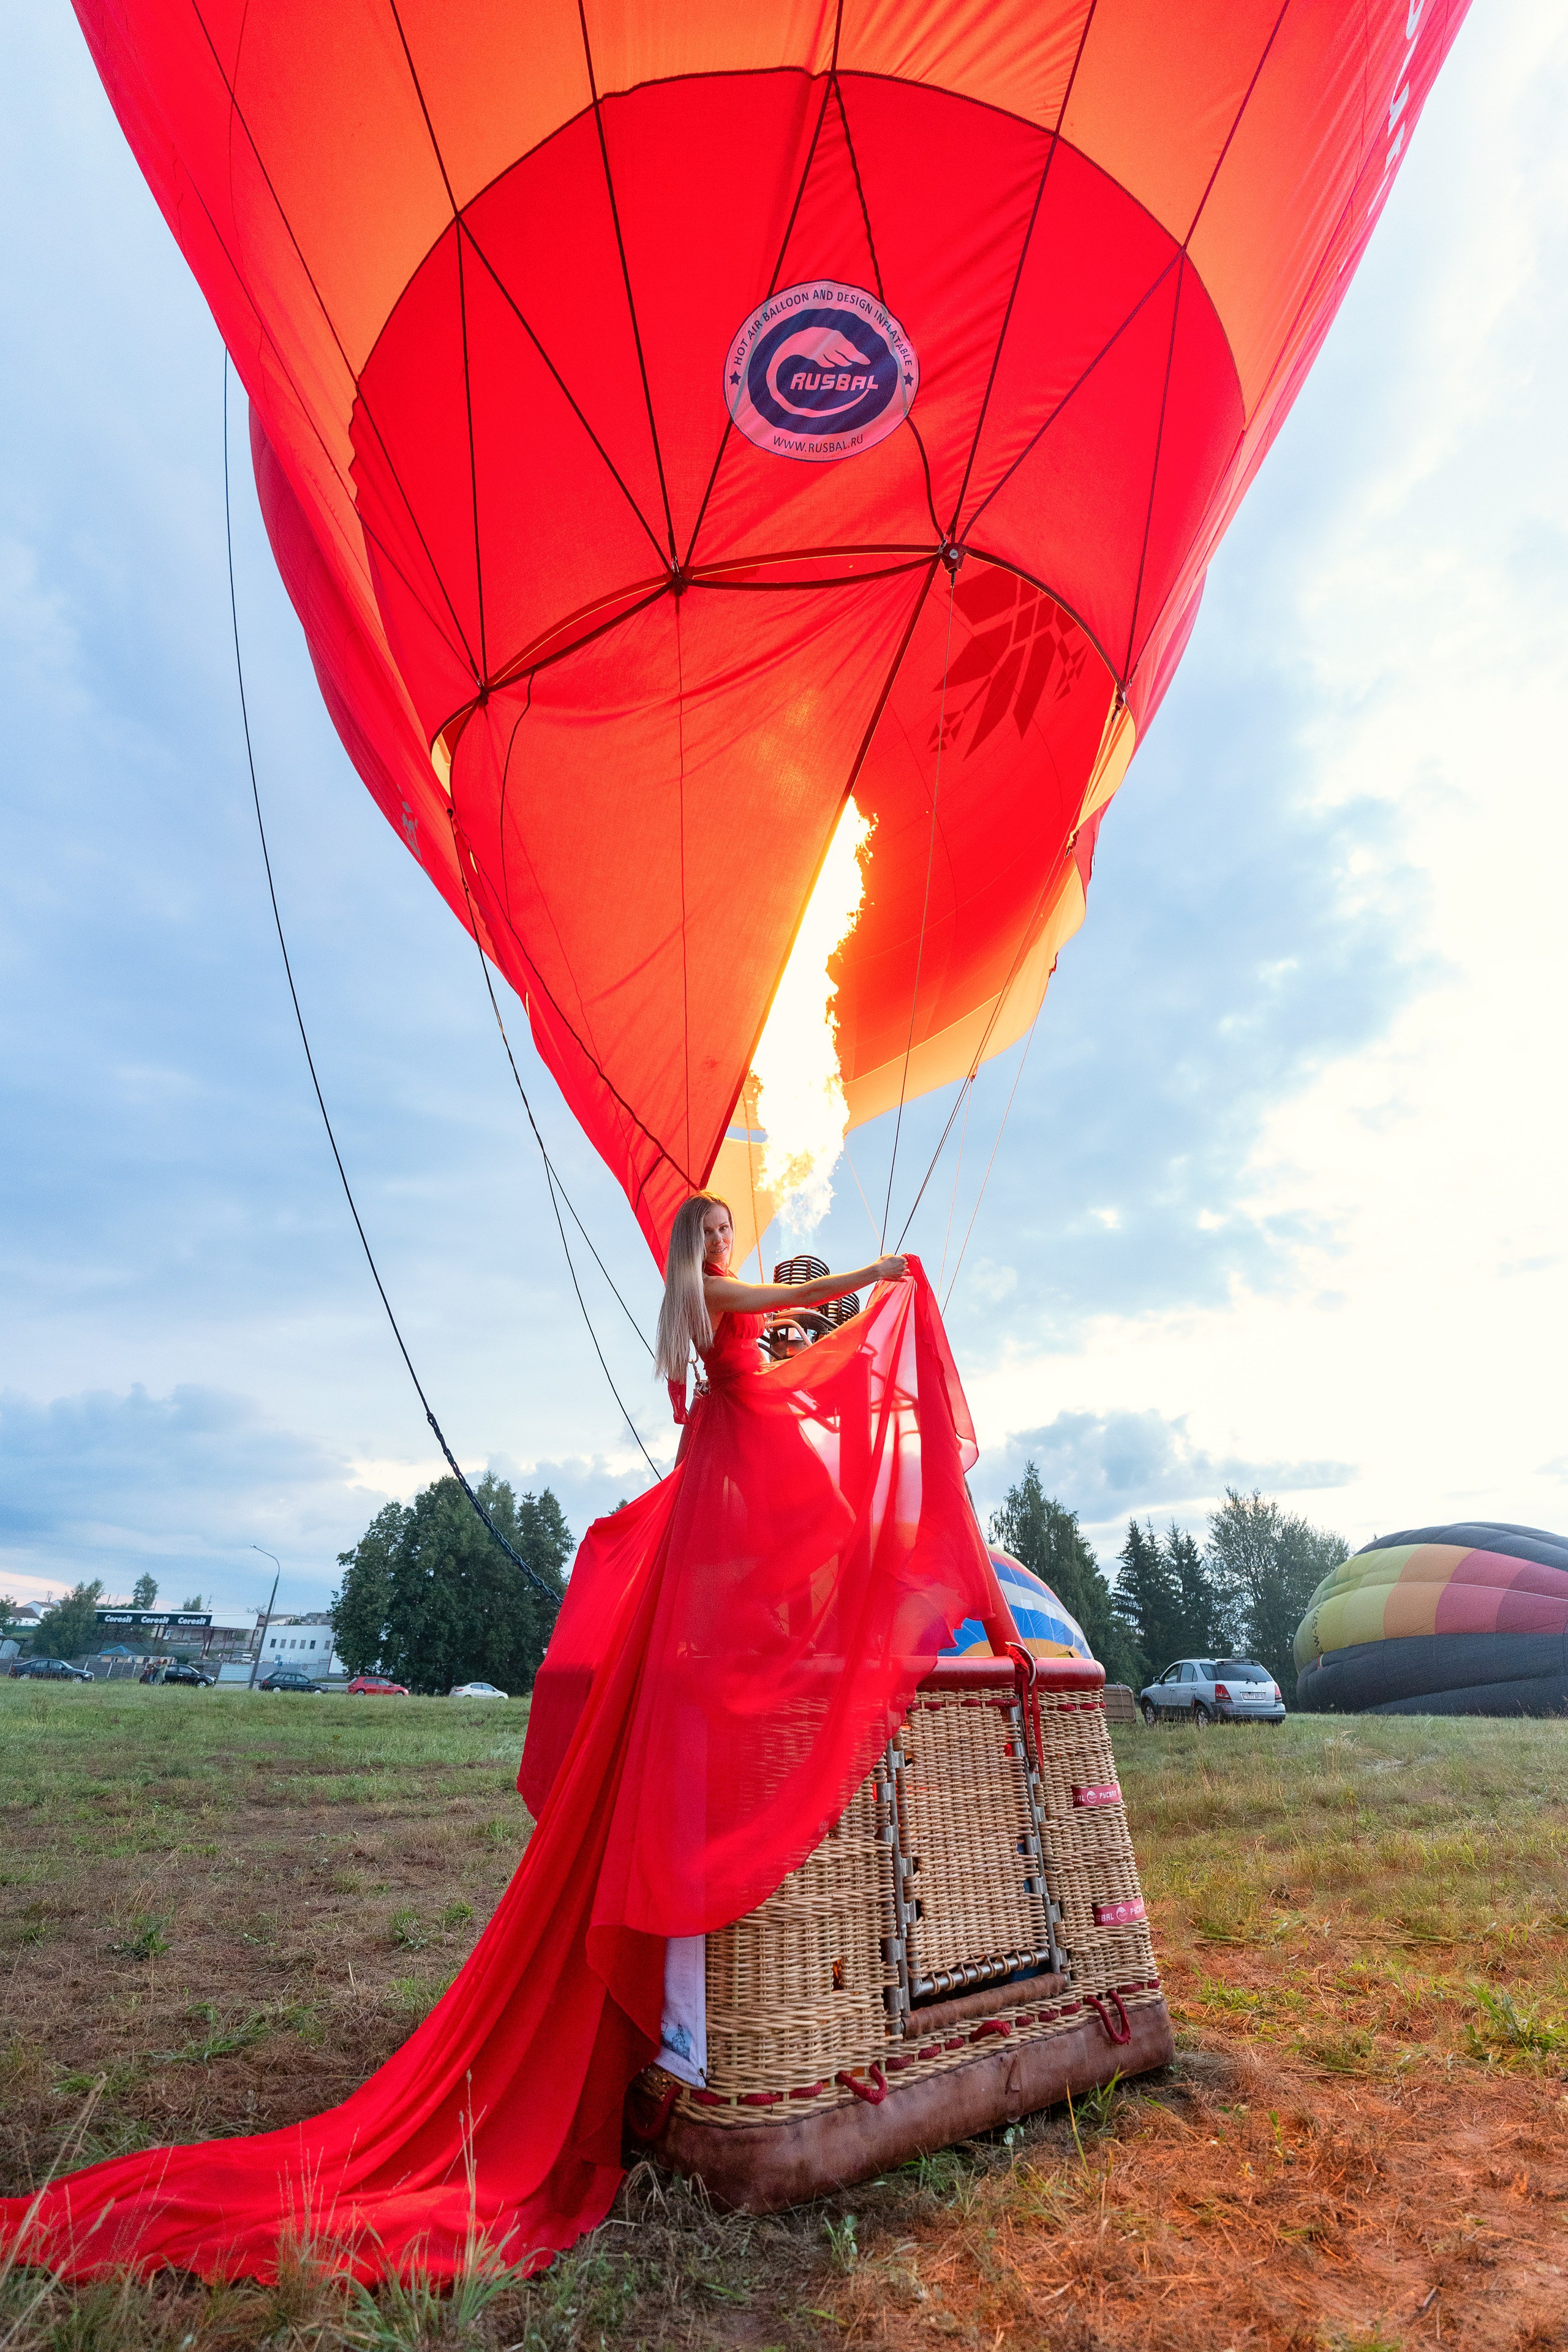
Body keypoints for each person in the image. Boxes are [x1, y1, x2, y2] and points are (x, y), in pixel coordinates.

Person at [2, 1203, 1003, 2288]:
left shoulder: (699, 1311)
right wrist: (876, 1273)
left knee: (797, 1554)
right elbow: (777, 1305)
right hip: (741, 1456)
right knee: (812, 1543)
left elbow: (778, 1320)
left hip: (730, 1454)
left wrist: (834, 1303)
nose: (729, 1242)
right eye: (718, 1228)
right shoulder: (711, 1297)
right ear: (700, 1246)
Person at [652, 1191, 908, 1446]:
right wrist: (876, 1271)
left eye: (724, 1228)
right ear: (691, 1240)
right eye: (707, 1232)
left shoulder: (716, 1281)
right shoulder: (712, 1289)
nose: (719, 1239)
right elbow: (805, 1294)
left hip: (748, 1398)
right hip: (741, 1407)